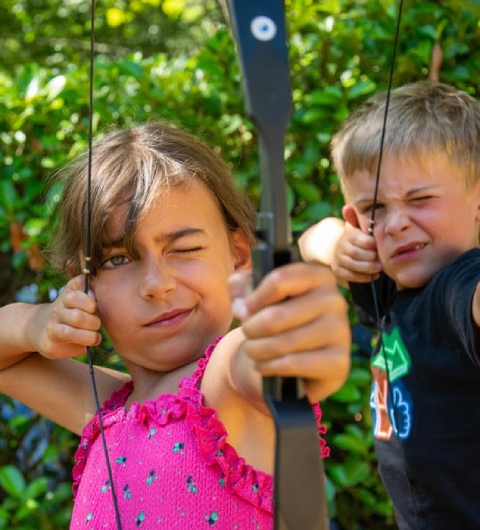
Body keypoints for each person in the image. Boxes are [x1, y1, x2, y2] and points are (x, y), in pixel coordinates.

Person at [0, 122, 351, 529]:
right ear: (82, 284)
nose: (156, 285)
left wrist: (298, 331)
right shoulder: (106, 406)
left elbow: (262, 359)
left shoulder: (226, 387)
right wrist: (38, 323)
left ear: (239, 255)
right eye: (116, 260)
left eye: (183, 249)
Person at [299, 80, 480, 529]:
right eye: (374, 208)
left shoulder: (458, 285)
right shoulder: (385, 281)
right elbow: (310, 238)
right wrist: (338, 244)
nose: (396, 223)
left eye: (420, 199)